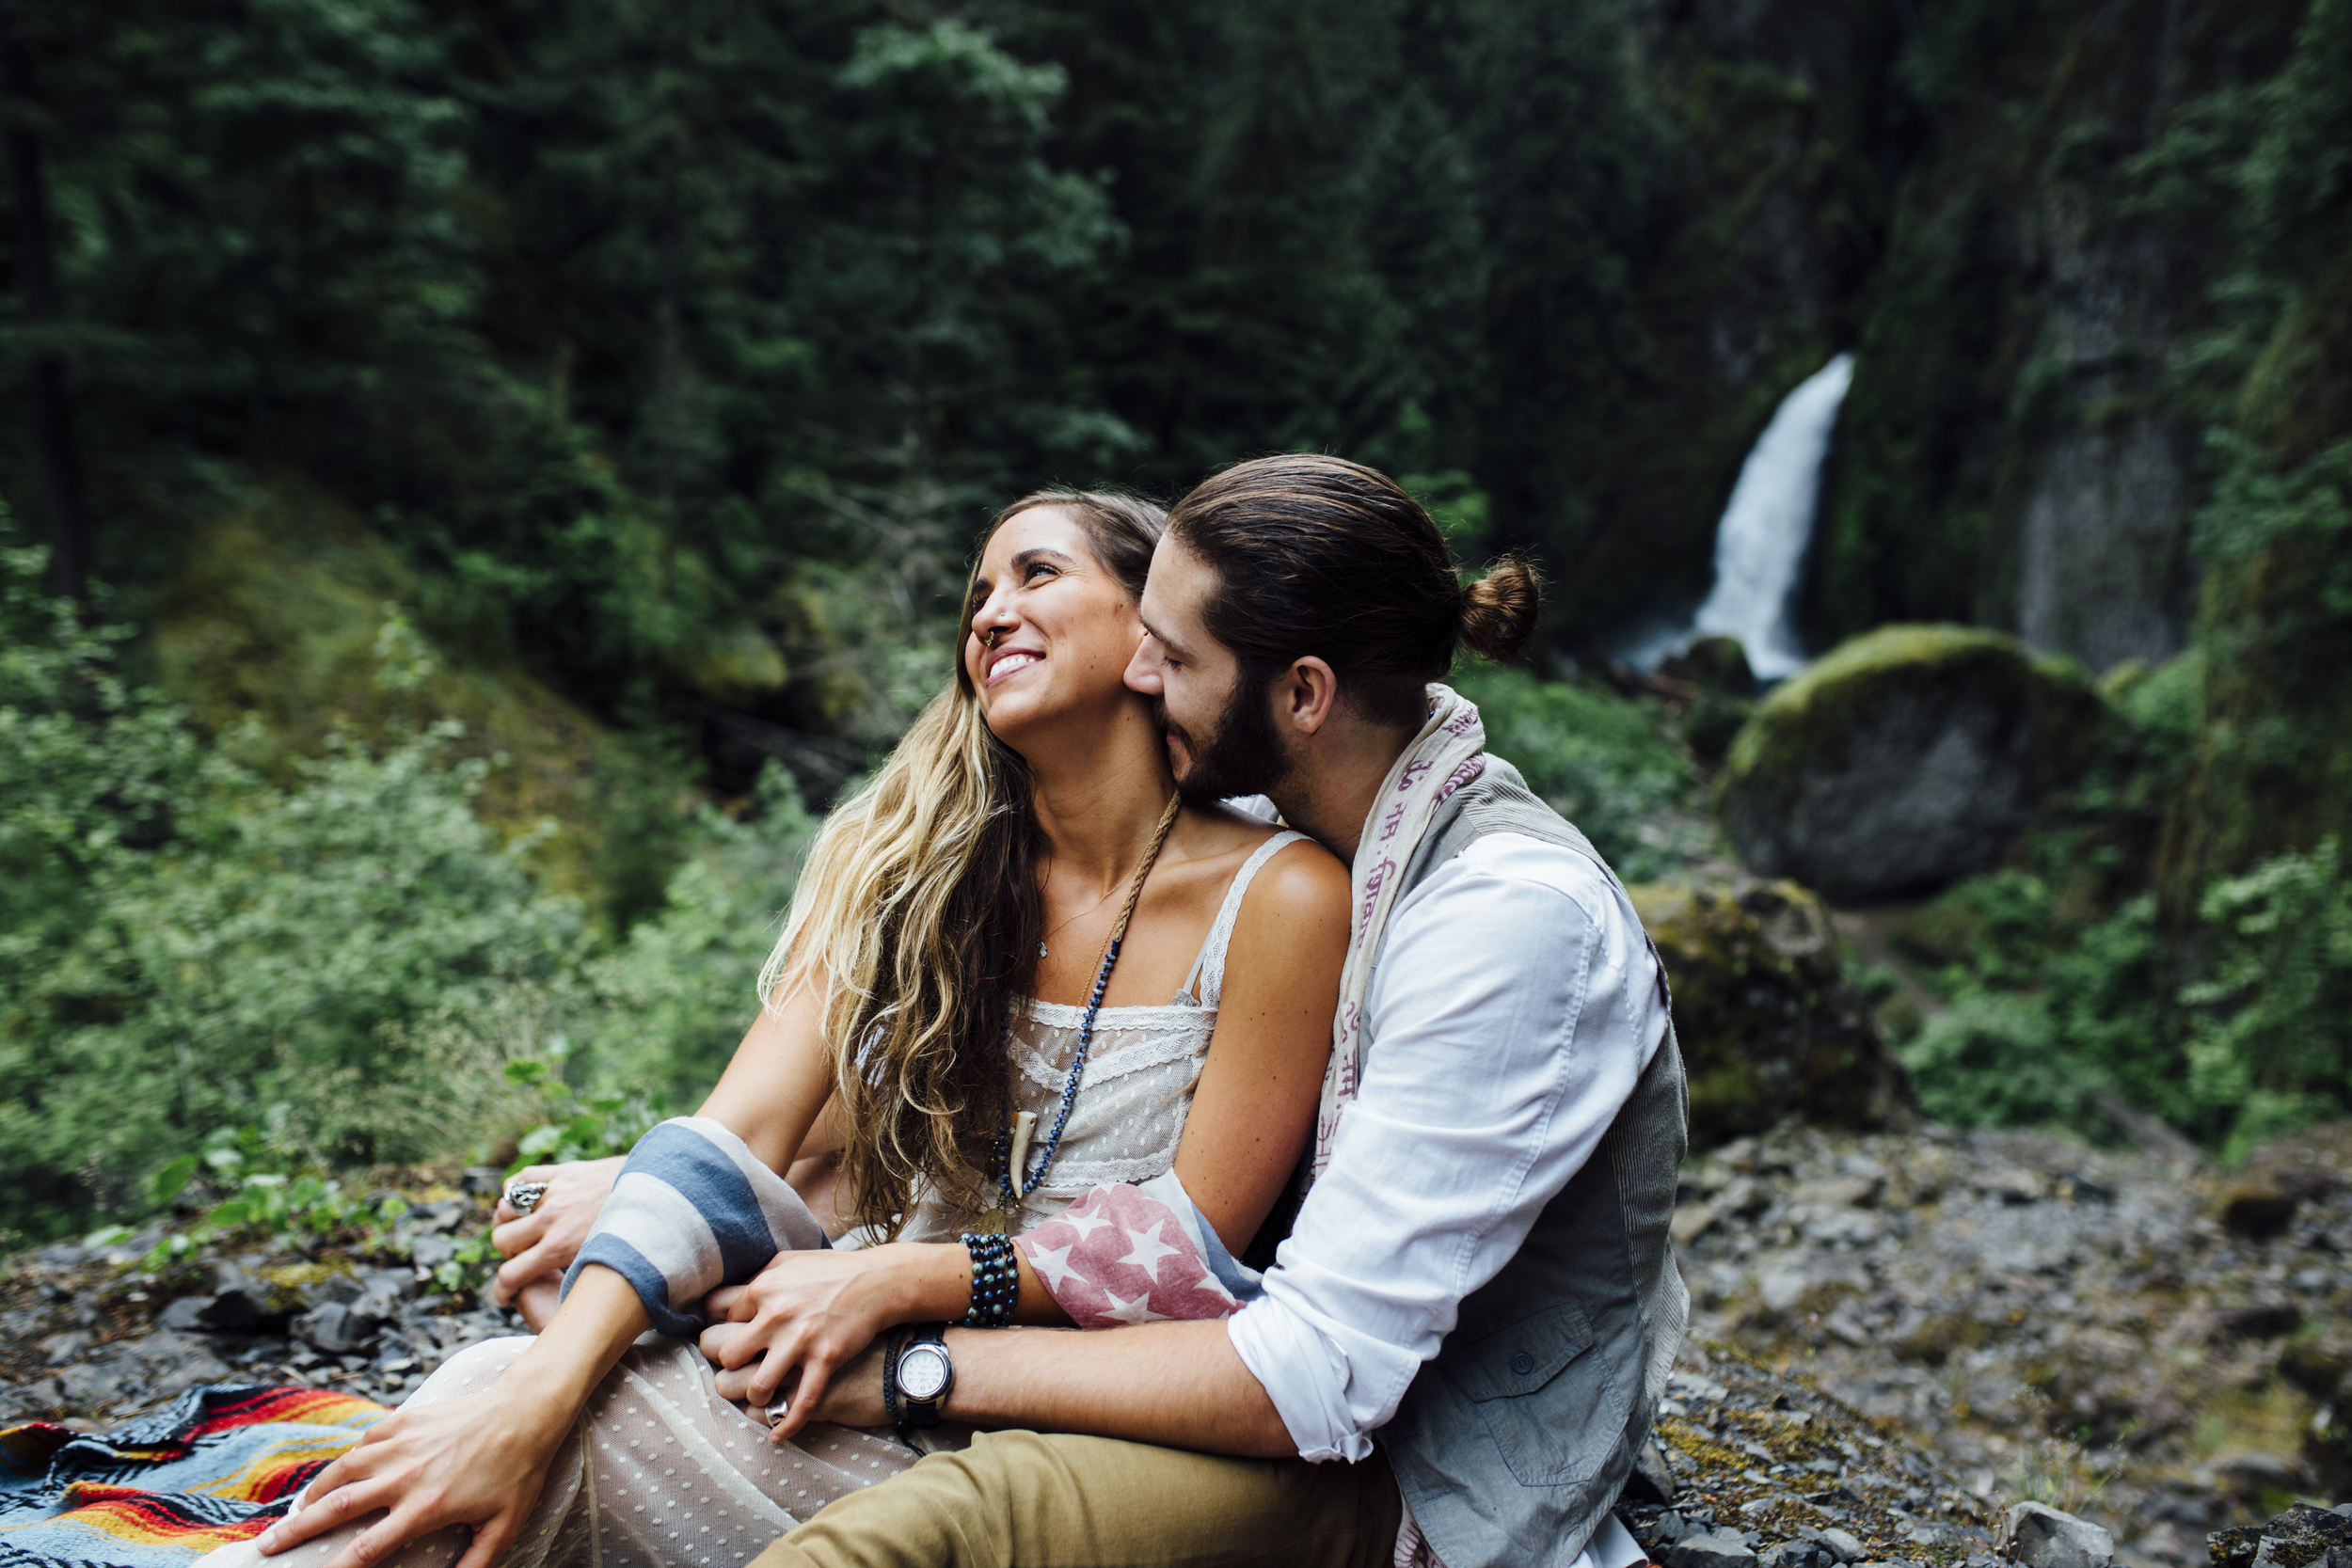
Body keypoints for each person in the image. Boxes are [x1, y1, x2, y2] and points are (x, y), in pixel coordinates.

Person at [235, 488, 1352, 1568]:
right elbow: (734, 1134)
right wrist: (543, 1387)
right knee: (489, 1404)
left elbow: (1190, 1249)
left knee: (490, 1468)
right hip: (837, 1364)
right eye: (976, 594)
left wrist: (888, 1287)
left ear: (1148, 630)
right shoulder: (918, 868)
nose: (990, 611)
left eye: (1037, 572)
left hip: (1057, 1427)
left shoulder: (1280, 896)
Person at [734, 453, 1691, 1568]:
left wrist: (915, 1362)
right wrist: (677, 1182)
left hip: (1421, 1461)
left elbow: (1319, 1369)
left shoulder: (1507, 923)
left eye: (1172, 652)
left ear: (1301, 694)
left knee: (934, 1527)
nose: (1138, 671)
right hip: (1240, 1364)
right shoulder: (1295, 800)